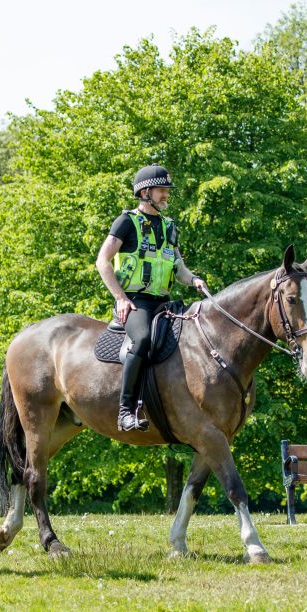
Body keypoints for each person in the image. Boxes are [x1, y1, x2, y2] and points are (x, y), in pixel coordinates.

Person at [95, 164, 205, 432]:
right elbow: (102, 261)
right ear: (145, 192)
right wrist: (120, 298)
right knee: (142, 338)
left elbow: (179, 269)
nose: (166, 195)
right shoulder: (126, 222)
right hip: (136, 302)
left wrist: (194, 280)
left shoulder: (169, 227)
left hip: (164, 304)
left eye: (167, 190)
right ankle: (125, 410)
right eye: (161, 190)